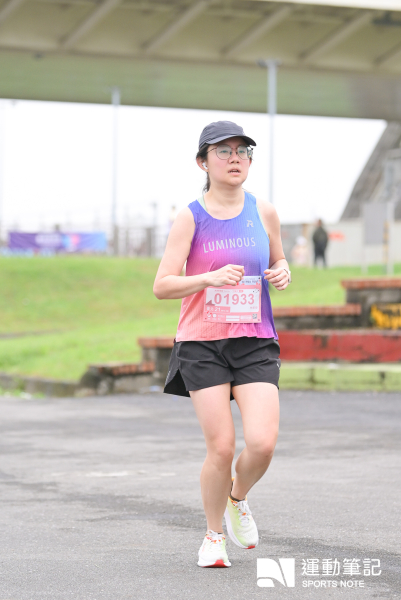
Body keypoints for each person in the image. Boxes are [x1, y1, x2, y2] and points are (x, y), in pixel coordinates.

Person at [153, 120, 291, 568]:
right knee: (222, 447)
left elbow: (279, 260)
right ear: (203, 162)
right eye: (224, 151)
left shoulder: (264, 211)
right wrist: (208, 278)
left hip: (254, 340)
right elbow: (162, 285)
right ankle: (213, 537)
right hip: (203, 344)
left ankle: (238, 497)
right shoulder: (191, 217)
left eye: (242, 151)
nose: (235, 158)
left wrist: (283, 271)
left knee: (263, 443)